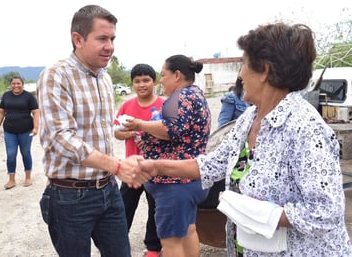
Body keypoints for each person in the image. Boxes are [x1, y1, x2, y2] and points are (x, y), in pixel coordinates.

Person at [133, 23, 352, 256]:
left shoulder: (305, 129)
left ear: (265, 70)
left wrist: (250, 211)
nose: (240, 74)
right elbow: (212, 164)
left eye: (244, 65)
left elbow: (325, 212)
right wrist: (155, 166)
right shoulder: (250, 118)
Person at [37, 5, 139, 257]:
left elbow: (101, 131)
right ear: (78, 39)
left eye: (112, 39)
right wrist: (117, 165)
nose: (110, 46)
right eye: (102, 38)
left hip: (108, 189)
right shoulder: (56, 75)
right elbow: (61, 138)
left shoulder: (104, 77)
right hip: (70, 196)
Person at [124, 55, 211, 257]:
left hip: (174, 183)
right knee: (188, 231)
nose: (161, 80)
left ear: (177, 75)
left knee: (171, 242)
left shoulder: (179, 98)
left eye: (163, 75)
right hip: (191, 179)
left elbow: (170, 129)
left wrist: (140, 125)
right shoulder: (195, 94)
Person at [114, 63, 164, 257]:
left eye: (146, 80)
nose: (142, 84)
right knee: (123, 205)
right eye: (137, 81)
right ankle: (116, 242)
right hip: (132, 168)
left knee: (155, 208)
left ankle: (153, 247)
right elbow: (117, 134)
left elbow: (170, 133)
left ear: (154, 81)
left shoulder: (163, 105)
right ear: (132, 83)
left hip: (156, 168)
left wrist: (148, 131)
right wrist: (132, 133)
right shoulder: (127, 106)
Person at [0, 76, 39, 189]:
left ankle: (28, 177)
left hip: (26, 130)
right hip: (10, 131)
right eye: (13, 83)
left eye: (18, 83)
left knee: (25, 153)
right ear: (11, 85)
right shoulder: (6, 96)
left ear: (22, 84)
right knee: (10, 154)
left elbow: (35, 112)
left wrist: (35, 128)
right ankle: (11, 179)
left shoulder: (29, 97)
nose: (16, 86)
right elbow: (1, 112)